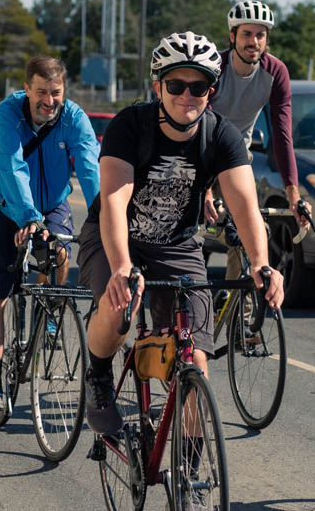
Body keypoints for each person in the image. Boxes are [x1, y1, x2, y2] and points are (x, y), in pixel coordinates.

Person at [78, 31, 284, 436]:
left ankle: (191, 472)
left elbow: (245, 206)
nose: (187, 95)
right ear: (158, 86)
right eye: (175, 85)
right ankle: (99, 375)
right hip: (117, 238)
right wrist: (121, 268)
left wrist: (262, 264)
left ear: (212, 90)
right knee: (121, 306)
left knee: (193, 359)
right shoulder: (129, 126)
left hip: (178, 244)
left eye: (199, 86)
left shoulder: (220, 135)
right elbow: (115, 202)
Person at [0, 56, 101, 418]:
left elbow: (90, 166)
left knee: (60, 255)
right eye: (40, 91)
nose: (48, 100)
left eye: (55, 92)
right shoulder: (7, 115)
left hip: (53, 202)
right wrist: (28, 216)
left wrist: (102, 214)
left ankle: (50, 314)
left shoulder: (74, 118)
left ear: (65, 91)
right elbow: (12, 166)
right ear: (26, 88)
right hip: (2, 203)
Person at [205, 0, 309, 281]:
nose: (254, 41)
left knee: (252, 232)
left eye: (260, 35)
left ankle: (238, 307)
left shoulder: (275, 73)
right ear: (232, 36)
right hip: (200, 151)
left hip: (237, 156)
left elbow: (282, 135)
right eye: (247, 34)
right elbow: (200, 126)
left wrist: (294, 195)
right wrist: (205, 189)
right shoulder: (214, 67)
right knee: (193, 227)